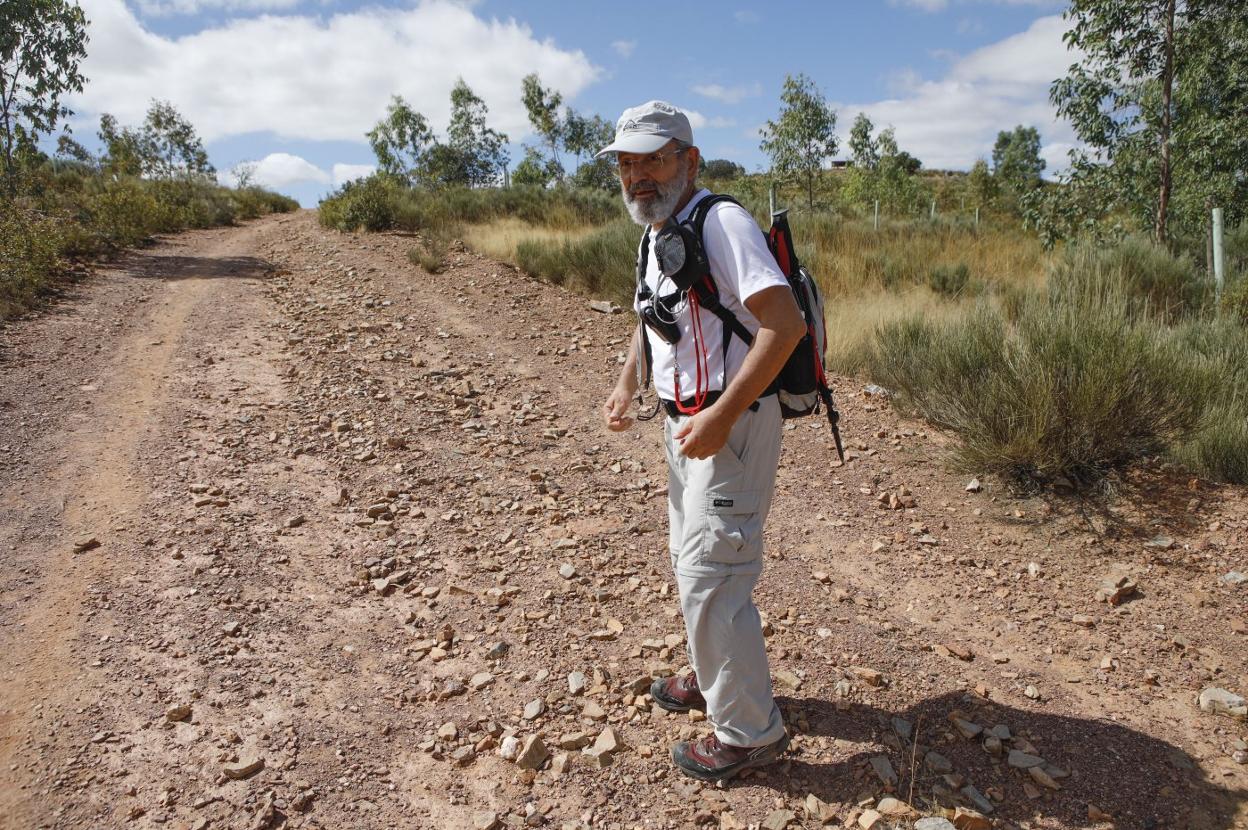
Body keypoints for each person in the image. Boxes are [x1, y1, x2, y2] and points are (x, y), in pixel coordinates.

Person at [597, 101, 806, 782]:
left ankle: (749, 735)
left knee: (713, 576)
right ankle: (714, 676)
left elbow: (784, 325)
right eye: (627, 164)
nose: (637, 176)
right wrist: (629, 385)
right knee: (693, 562)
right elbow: (649, 319)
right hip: (683, 425)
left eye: (651, 159)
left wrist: (720, 416)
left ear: (688, 159)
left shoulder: (722, 223)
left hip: (733, 428)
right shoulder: (656, 230)